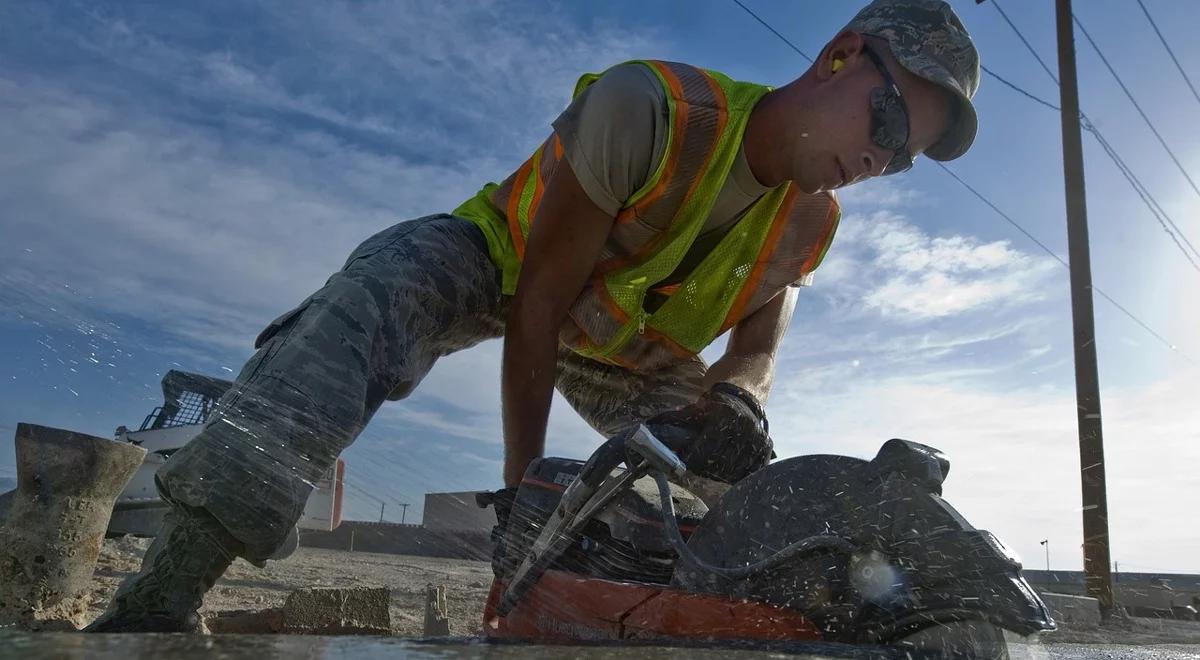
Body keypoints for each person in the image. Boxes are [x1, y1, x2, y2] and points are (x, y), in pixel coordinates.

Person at [86, 0, 980, 632]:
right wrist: (520, 501)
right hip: (503, 270)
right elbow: (541, 303)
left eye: (905, 160)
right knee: (368, 303)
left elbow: (765, 319)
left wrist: (740, 398)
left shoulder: (815, 217)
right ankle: (160, 594)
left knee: (744, 490)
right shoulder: (655, 111)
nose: (879, 159)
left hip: (626, 348)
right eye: (892, 124)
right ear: (839, 55)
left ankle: (706, 620)